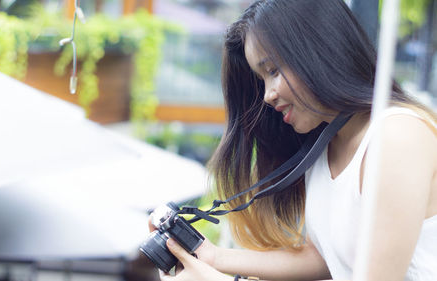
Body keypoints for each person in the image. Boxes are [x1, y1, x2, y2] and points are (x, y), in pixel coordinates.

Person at [149, 0, 437, 280]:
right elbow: (323, 258)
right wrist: (214, 257)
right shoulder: (326, 145)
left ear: (320, 51)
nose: (267, 95)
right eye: (262, 78)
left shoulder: (397, 137)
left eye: (273, 70)